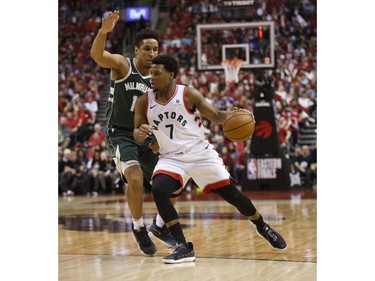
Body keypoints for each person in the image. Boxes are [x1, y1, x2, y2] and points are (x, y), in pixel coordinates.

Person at [133, 54, 287, 264]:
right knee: (159, 189)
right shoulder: (144, 100)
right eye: (151, 73)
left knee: (234, 196)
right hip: (171, 158)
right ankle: (182, 246)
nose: (152, 77)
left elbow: (215, 115)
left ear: (171, 75)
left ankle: (263, 226)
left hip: (200, 153)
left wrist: (230, 115)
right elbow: (136, 132)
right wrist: (141, 132)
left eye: (157, 73)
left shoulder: (188, 94)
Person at [90, 10, 177, 256]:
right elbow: (97, 55)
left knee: (173, 180)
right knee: (135, 178)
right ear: (136, 50)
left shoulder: (158, 81)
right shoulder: (122, 66)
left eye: (155, 49)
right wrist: (103, 32)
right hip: (120, 134)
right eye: (147, 48)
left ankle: (159, 226)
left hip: (145, 137)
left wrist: (158, 139)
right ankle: (138, 227)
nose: (152, 53)